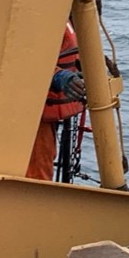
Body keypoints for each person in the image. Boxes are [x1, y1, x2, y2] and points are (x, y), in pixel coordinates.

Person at [28, 22, 87, 181]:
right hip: (29, 112)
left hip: (43, 112)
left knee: (43, 164)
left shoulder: (61, 14)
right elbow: (21, 54)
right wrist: (57, 76)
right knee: (35, 172)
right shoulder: (34, 14)